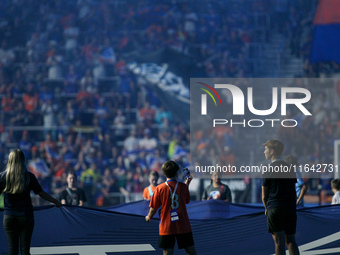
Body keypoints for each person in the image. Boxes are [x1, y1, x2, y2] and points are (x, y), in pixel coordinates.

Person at [0, 149, 62, 255]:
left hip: (9, 216)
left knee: (12, 249)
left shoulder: (2, 176)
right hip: (26, 216)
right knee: (25, 250)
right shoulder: (29, 176)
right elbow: (41, 193)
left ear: (9, 160)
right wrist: (55, 201)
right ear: (23, 160)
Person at [145, 160, 197, 255]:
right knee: (190, 251)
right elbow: (186, 201)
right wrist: (187, 184)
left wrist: (149, 217)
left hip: (166, 226)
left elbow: (153, 208)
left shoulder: (159, 188)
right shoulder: (183, 187)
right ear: (177, 173)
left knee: (167, 252)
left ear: (164, 174)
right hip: (183, 225)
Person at [262, 139, 299, 255]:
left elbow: (264, 196)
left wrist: (266, 208)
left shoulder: (268, 170)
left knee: (279, 241)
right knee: (291, 241)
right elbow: (293, 191)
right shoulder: (290, 168)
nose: (264, 152)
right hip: (290, 208)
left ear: (272, 151)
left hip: (275, 207)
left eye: (266, 149)